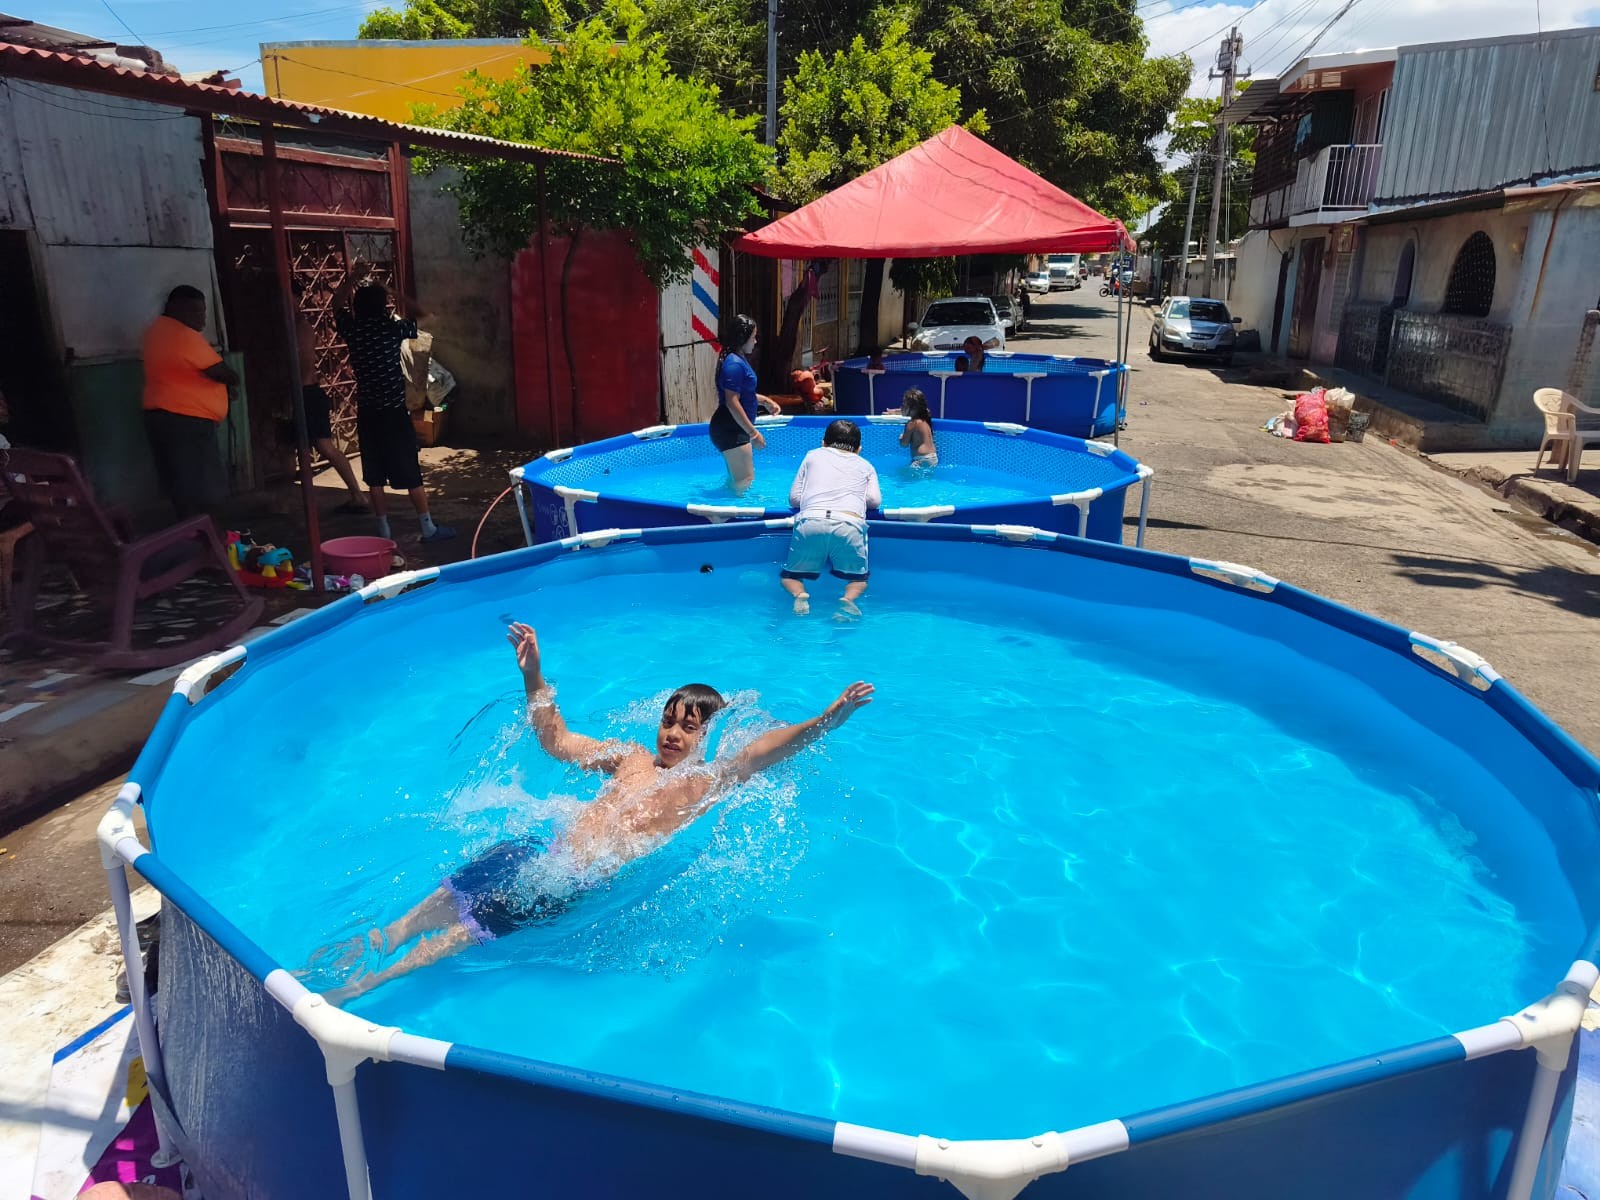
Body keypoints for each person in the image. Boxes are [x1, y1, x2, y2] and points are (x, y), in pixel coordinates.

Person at [319, 622, 874, 1001]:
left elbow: (763, 751)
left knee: (462, 934)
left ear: (707, 735)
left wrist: (827, 720)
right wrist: (533, 675)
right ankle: (376, 941)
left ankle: (365, 987)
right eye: (669, 721)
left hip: (569, 882)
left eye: (688, 727)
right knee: (438, 902)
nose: (673, 734)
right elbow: (556, 740)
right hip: (540, 850)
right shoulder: (629, 757)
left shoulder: (705, 782)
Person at [331, 262, 455, 542]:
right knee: (410, 471)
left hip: (368, 413)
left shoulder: (354, 331)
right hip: (395, 414)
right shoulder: (392, 329)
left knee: (374, 474)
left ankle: (384, 530)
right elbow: (427, 317)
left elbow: (336, 305)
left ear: (358, 308)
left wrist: (352, 278)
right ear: (383, 306)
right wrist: (393, 291)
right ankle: (427, 527)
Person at [141, 285, 239, 523]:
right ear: (175, 307)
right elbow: (223, 373)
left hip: (164, 417)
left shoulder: (155, 331)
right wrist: (231, 381)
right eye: (195, 312)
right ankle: (209, 536)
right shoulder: (181, 335)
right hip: (187, 421)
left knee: (182, 483)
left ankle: (191, 532)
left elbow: (183, 372)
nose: (202, 319)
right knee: (204, 487)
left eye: (203, 312)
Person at [780, 419, 880, 618]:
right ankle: (848, 600)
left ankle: (800, 594)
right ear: (859, 449)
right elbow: (874, 501)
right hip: (850, 524)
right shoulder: (866, 466)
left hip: (811, 521)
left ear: (823, 443)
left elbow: (794, 498)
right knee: (858, 579)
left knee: (790, 576)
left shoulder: (812, 456)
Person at [293, 287, 367, 514]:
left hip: (306, 392)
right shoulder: (294, 326)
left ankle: (356, 494)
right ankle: (296, 500)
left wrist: (294, 393)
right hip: (304, 392)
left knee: (324, 446)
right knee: (303, 447)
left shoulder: (301, 327)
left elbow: (305, 365)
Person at [710, 314, 771, 493]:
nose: (755, 341)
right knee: (745, 480)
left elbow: (743, 394)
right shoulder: (734, 364)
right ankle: (729, 510)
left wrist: (765, 401)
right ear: (742, 338)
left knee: (736, 481)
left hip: (733, 427)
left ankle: (724, 506)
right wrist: (753, 433)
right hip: (731, 429)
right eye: (753, 337)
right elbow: (732, 401)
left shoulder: (737, 359)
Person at [898, 388, 937, 468]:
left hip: (921, 459)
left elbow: (904, 444)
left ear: (912, 408)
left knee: (904, 475)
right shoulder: (925, 420)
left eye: (904, 405)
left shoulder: (912, 423)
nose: (902, 407)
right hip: (933, 458)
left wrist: (901, 437)